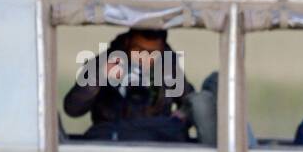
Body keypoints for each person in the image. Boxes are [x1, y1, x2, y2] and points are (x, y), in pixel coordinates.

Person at [64, 28, 213, 143]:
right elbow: (73, 109)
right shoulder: (105, 63)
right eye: (138, 50)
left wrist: (182, 115)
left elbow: (190, 102)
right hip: (112, 135)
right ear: (127, 43)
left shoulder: (169, 68)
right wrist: (98, 77)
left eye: (153, 53)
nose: (144, 58)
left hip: (157, 138)